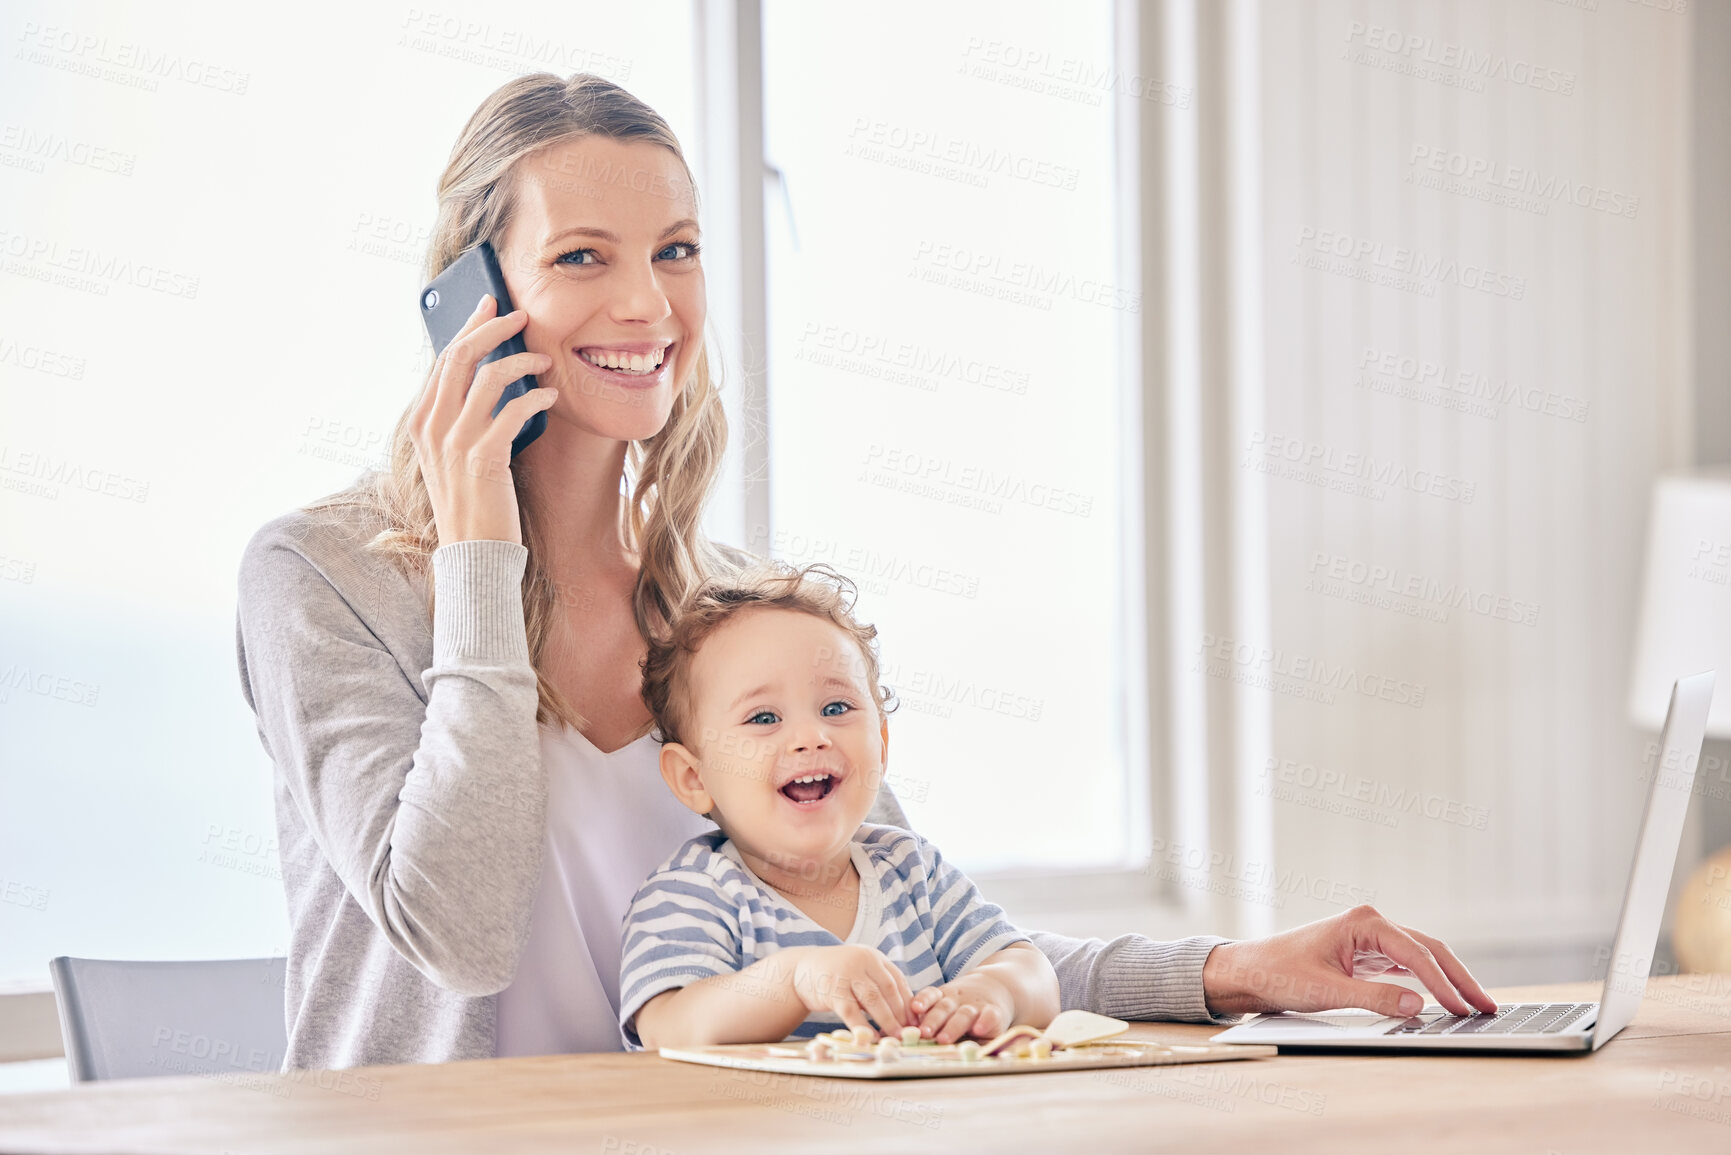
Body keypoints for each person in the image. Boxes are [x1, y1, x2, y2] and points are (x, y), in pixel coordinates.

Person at [234, 71, 1495, 1073]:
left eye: (676, 249)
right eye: (582, 258)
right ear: (469, 299)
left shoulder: (726, 611)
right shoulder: (322, 579)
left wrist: (1234, 971)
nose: (649, 304)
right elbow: (452, 935)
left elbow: (913, 928)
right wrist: (479, 560)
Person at [619, 564, 1060, 1050]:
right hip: (763, 1125)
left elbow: (1034, 972)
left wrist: (990, 991)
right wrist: (793, 981)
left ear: (882, 743)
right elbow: (668, 1027)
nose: (811, 736)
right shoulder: (694, 893)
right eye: (764, 718)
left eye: (835, 708)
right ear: (694, 778)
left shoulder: (912, 872)